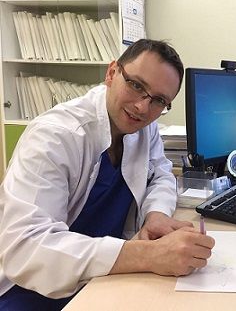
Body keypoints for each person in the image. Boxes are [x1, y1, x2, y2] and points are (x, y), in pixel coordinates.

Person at [0, 39, 215, 310]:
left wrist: (156, 214)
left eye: (159, 100)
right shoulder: (54, 137)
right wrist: (146, 255)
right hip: (32, 293)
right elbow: (28, 248)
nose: (142, 107)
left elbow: (161, 174)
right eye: (136, 85)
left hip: (104, 278)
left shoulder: (143, 127)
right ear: (112, 73)